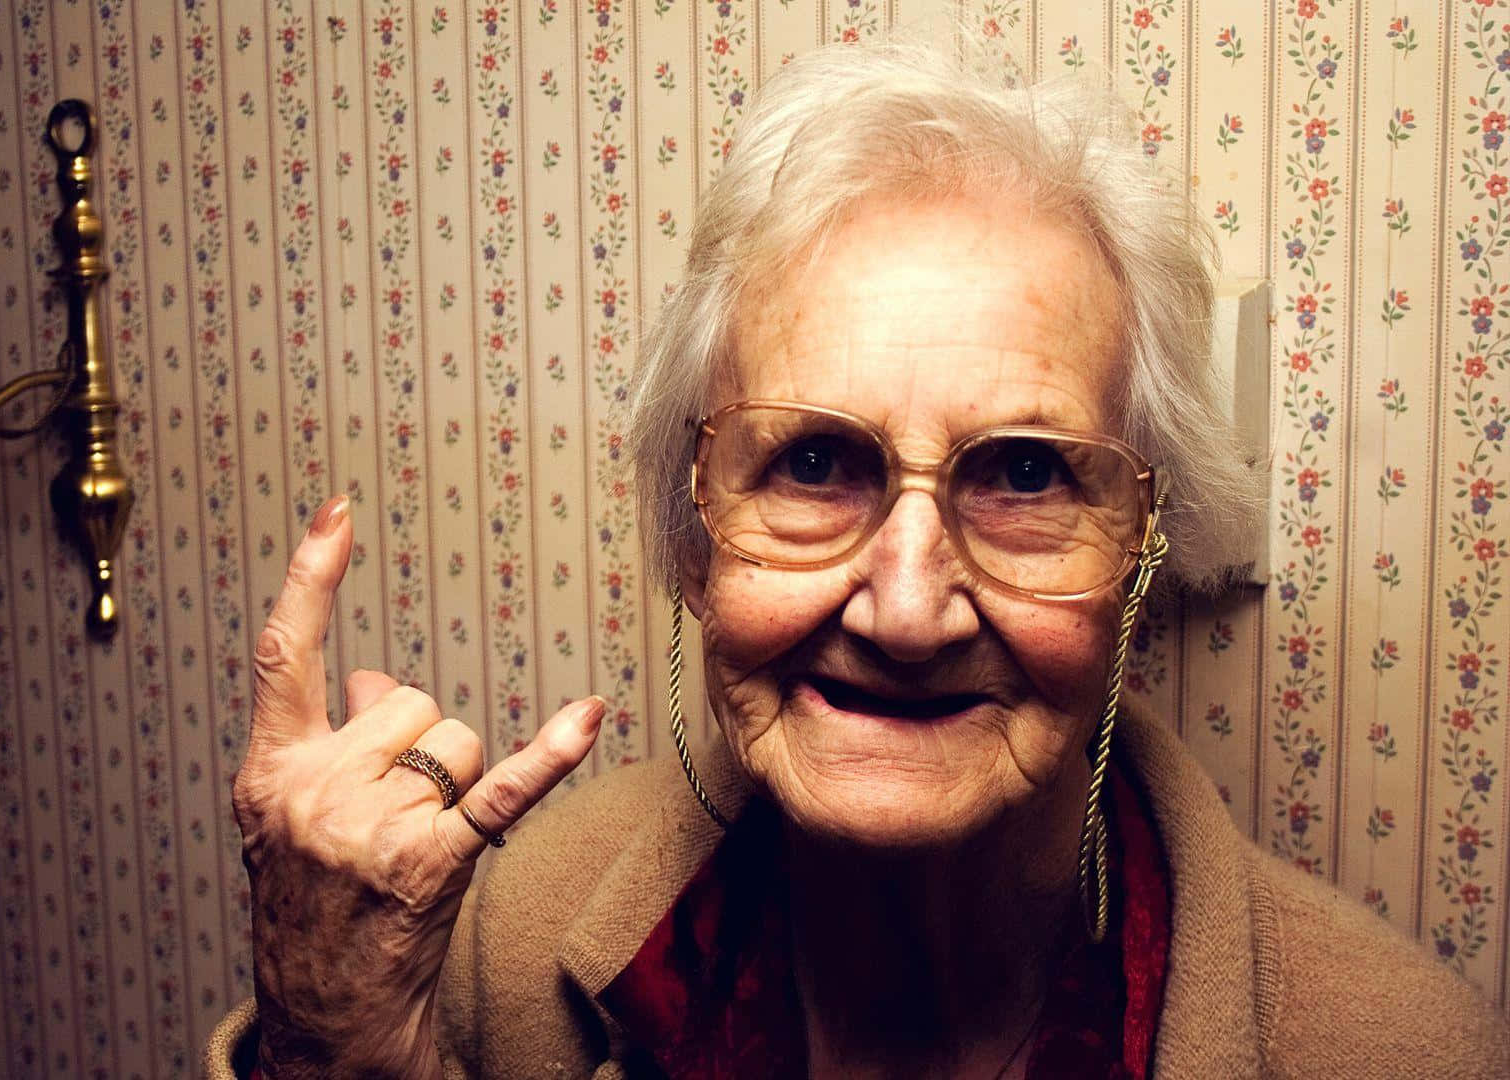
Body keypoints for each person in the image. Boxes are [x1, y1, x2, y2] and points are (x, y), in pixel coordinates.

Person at [212, 40, 1509, 1079]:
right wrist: (337, 1052)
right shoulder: (511, 946)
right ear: (691, 526)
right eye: (817, 464)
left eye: (1023, 472)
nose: (904, 609)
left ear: (1143, 552)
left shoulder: (1409, 1052)